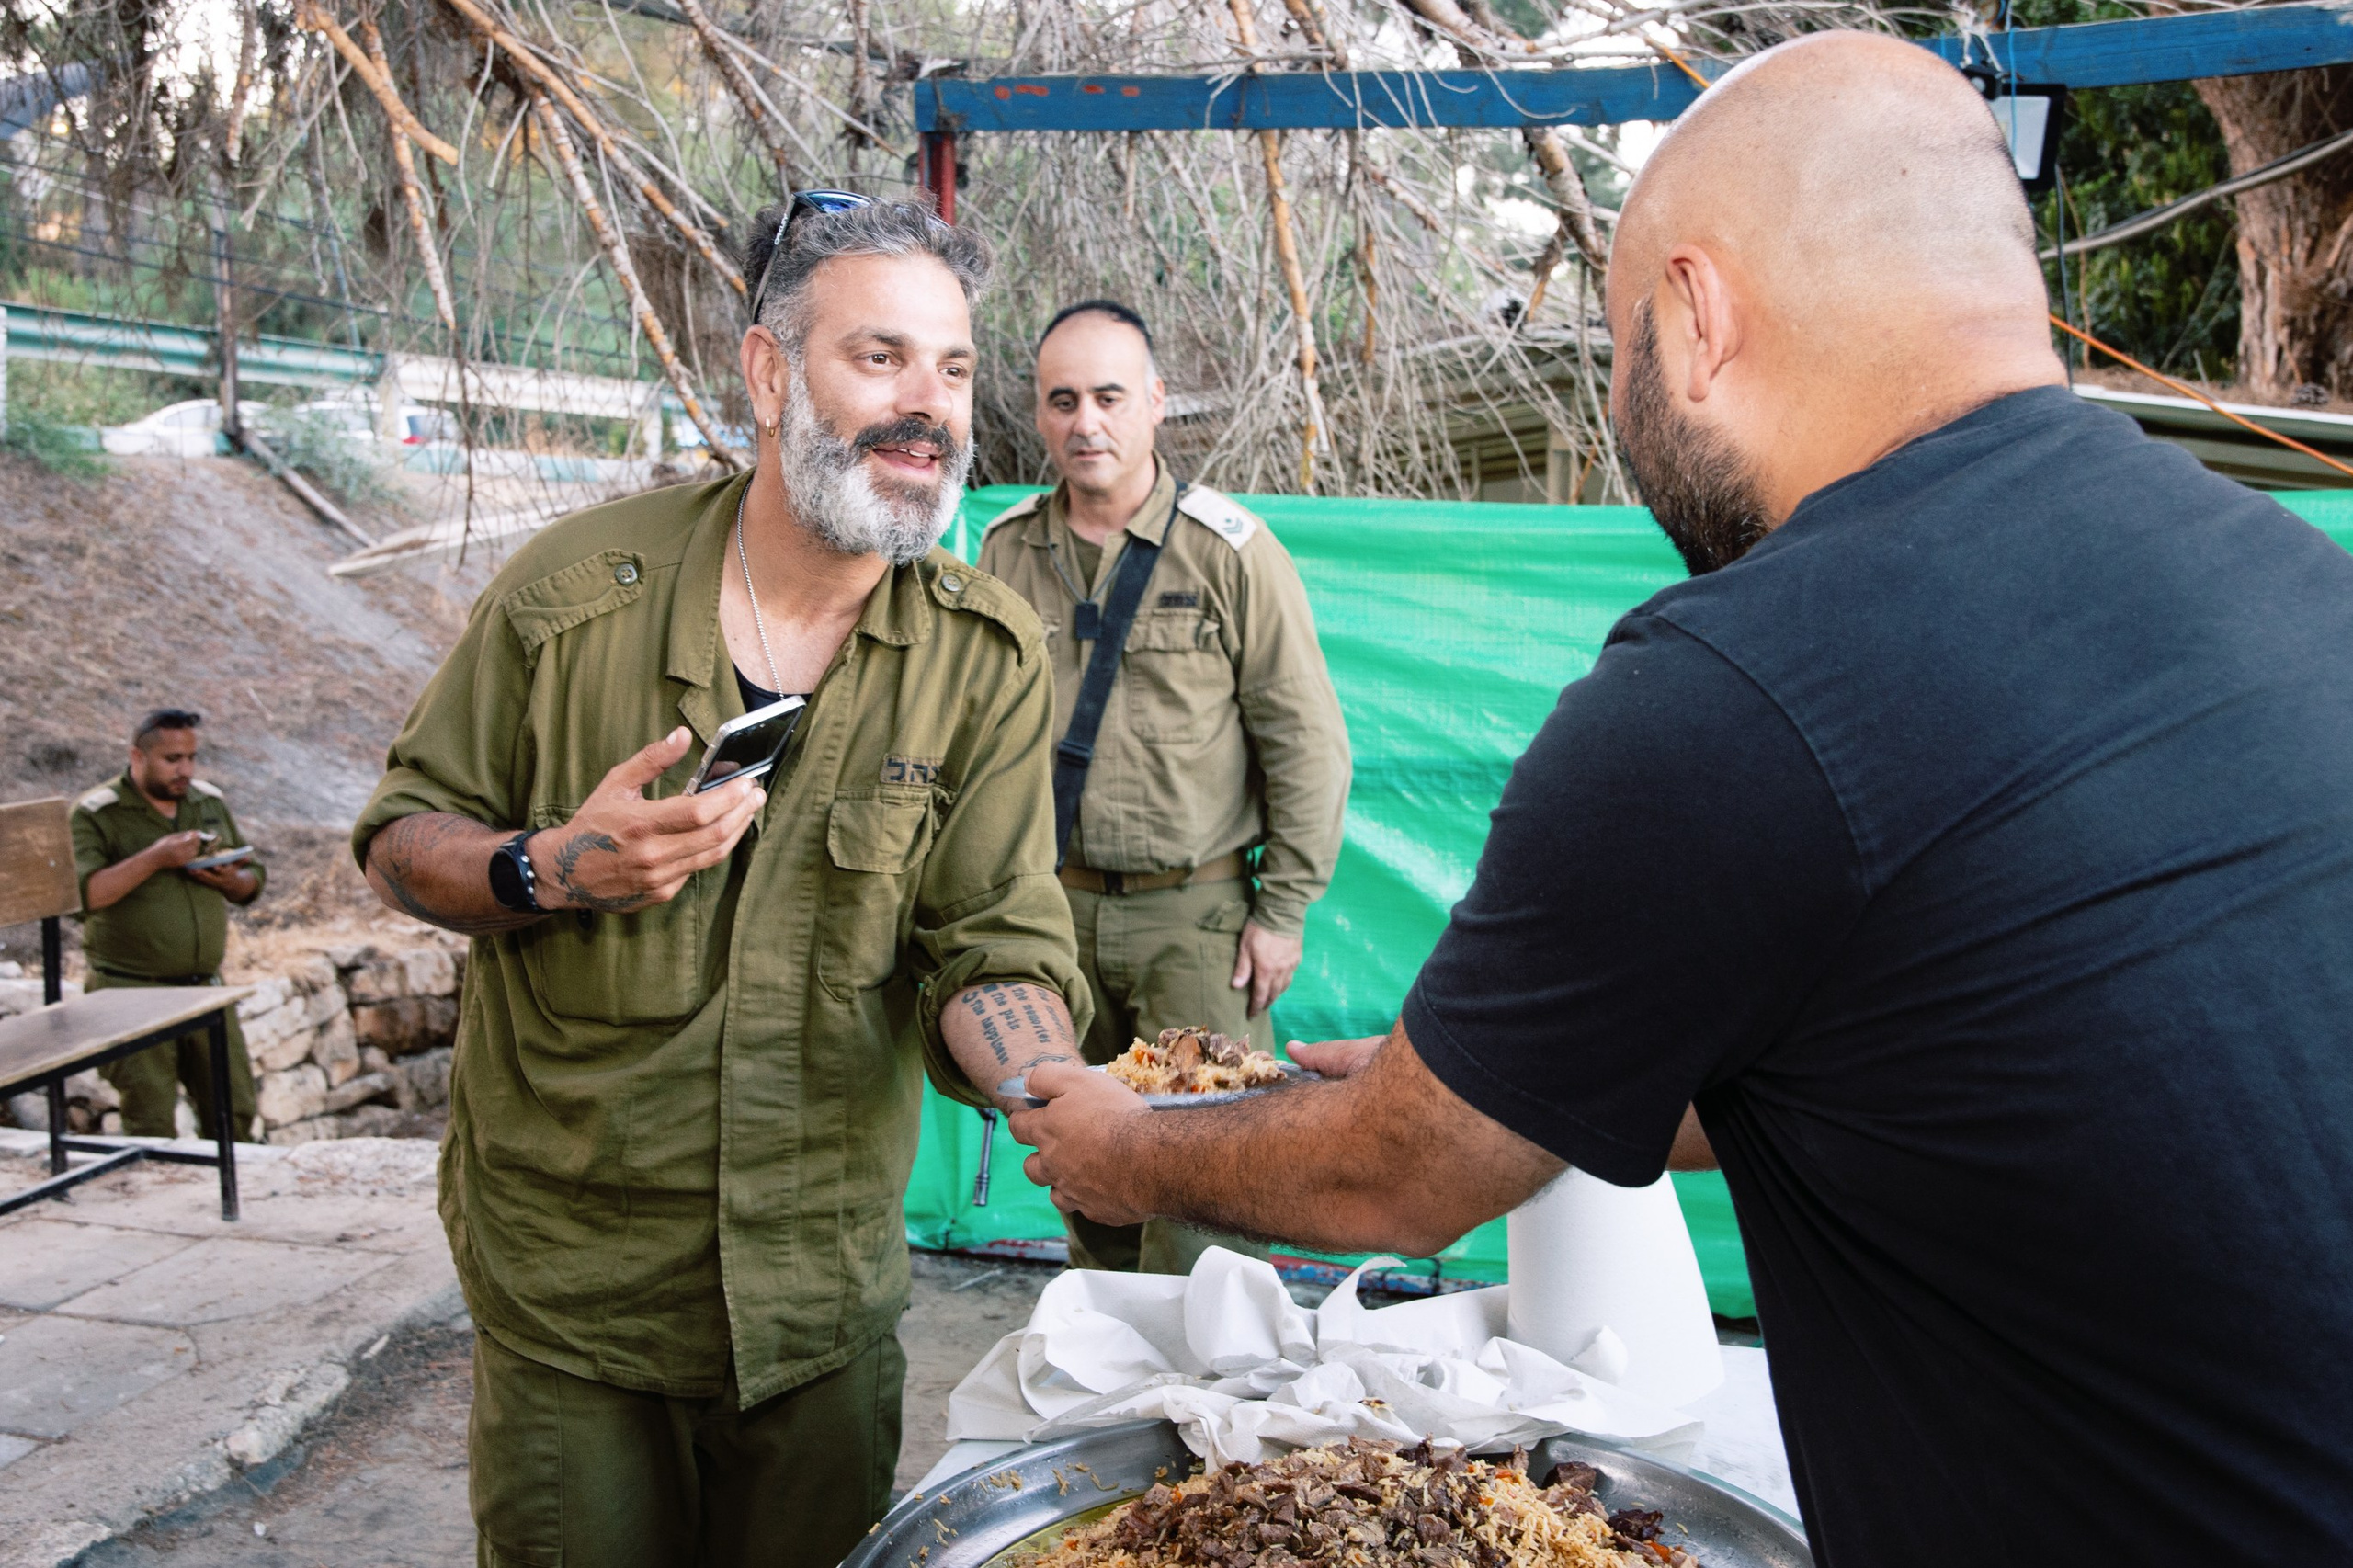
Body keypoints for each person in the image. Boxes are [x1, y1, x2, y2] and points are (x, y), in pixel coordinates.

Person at [1010, 32, 2353, 1564]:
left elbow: (1397, 1174)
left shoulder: (1731, 687)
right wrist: (1531, 1073)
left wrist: (1127, 1147)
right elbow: (1987, 1053)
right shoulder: (2295, 582)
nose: (1620, 400)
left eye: (1617, 337)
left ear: (1696, 317)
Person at [350, 195, 1089, 1568]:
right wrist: (551, 866)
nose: (927, 406)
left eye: (952, 367)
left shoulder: (984, 657)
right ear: (768, 372)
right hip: (576, 1297)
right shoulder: (571, 596)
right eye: (879, 356)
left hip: (817, 1304)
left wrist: (1057, 1087)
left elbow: (994, 942)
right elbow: (401, 838)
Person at [977, 300, 1349, 1276]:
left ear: (1155, 402)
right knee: (1082, 1173)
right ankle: (1113, 1363)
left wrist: (1284, 910)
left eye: (1108, 397)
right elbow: (979, 736)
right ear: (1039, 412)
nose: (1085, 423)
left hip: (1196, 922)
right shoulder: (1007, 549)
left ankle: (1210, 1375)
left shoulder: (1228, 550)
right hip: (1053, 913)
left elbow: (1306, 741)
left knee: (1206, 1192)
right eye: (1062, 401)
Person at [73, 708, 264, 1141]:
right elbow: (84, 897)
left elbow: (252, 880)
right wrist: (156, 858)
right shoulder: (96, 813)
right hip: (130, 991)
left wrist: (230, 880)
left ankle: (229, 1187)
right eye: (172, 759)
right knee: (151, 1122)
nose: (185, 770)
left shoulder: (206, 803)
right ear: (137, 757)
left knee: (234, 1113)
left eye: (192, 758)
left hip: (205, 989)